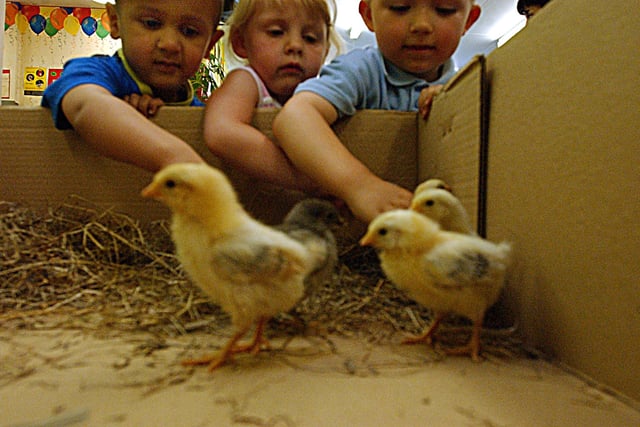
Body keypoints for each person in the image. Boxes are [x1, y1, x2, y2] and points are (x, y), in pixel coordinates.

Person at [273, 0, 481, 223]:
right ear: (369, 15)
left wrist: (446, 101)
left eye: (444, 10)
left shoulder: (467, 86)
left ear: (469, 20)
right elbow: (294, 116)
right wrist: (359, 186)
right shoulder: (360, 70)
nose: (422, 26)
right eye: (399, 7)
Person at [42, 0, 225, 173]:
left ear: (210, 44)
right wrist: (176, 158)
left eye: (189, 31)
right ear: (115, 23)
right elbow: (84, 105)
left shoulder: (206, 119)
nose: (169, 44)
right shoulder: (95, 72)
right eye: (152, 23)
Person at [203, 0, 342, 192]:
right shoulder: (246, 81)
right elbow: (221, 132)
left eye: (310, 38)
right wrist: (306, 180)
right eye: (276, 32)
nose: (295, 46)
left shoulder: (319, 94)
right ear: (241, 42)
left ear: (326, 50)